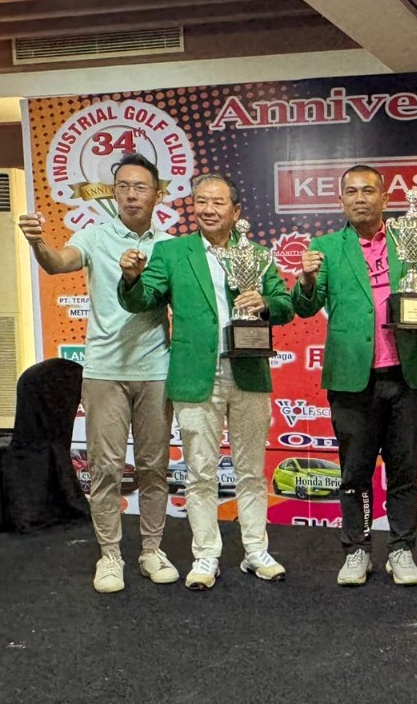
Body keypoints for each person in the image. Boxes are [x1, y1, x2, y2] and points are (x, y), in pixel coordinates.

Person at [118, 173, 294, 591]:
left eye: (217, 202)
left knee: (251, 471)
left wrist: (265, 303)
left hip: (248, 371)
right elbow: (142, 300)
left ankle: (256, 551)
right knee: (200, 472)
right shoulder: (171, 252)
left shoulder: (258, 254)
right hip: (197, 375)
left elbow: (286, 305)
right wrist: (131, 277)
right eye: (201, 202)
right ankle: (206, 555)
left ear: (236, 211)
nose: (208, 210)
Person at [19, 152, 178, 594]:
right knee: (106, 468)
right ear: (114, 193)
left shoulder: (170, 246)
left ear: (157, 194)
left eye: (140, 187)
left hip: (156, 369)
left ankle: (151, 550)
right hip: (105, 370)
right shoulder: (94, 235)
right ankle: (110, 556)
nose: (131, 194)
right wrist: (37, 243)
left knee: (154, 467)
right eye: (123, 186)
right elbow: (57, 262)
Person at [292, 165, 417, 587]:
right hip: (351, 379)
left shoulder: (408, 239)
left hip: (405, 376)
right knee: (354, 473)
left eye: (368, 191)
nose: (359, 198)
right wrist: (306, 279)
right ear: (341, 200)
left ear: (385, 198)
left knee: (403, 470)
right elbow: (305, 307)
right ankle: (357, 549)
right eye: (351, 192)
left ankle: (401, 549)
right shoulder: (325, 247)